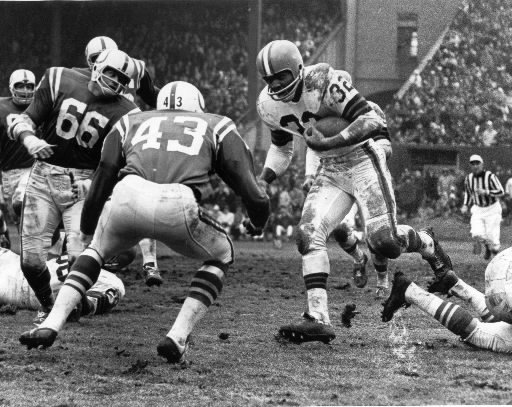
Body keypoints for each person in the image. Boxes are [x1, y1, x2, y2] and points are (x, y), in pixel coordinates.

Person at [19, 81, 270, 364]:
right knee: (222, 254)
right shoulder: (217, 124)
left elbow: (104, 174)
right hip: (177, 201)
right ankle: (178, 335)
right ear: (198, 106)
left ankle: (51, 323)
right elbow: (253, 193)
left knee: (96, 251)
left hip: (127, 195)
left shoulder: (130, 120)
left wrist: (89, 227)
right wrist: (258, 221)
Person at [255, 39, 451, 344]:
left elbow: (371, 119)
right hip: (331, 169)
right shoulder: (268, 105)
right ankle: (317, 316)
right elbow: (281, 147)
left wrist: (331, 141)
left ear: (297, 69)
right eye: (269, 79)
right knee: (308, 235)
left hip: (362, 159)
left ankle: (427, 242)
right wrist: (265, 178)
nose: (274, 83)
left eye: (280, 76)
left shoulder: (324, 82)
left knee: (385, 242)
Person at [8, 49, 140, 325]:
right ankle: (48, 304)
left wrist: (94, 184)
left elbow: (124, 164)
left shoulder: (127, 112)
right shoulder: (59, 78)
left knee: (81, 258)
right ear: (98, 66)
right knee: (31, 260)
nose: (115, 81)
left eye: (122, 78)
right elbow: (24, 118)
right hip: (43, 175)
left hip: (83, 184)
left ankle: (68, 308)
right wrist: (28, 138)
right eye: (112, 72)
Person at [76, 35, 163, 286]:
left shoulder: (134, 70)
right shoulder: (80, 79)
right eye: (94, 61)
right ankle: (85, 259)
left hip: (124, 141)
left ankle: (150, 263)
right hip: (91, 151)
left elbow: (152, 95)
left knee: (141, 199)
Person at [381, 247, 512, 353]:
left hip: (504, 263)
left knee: (505, 318)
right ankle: (411, 292)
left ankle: (456, 285)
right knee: (479, 333)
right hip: (505, 286)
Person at [0, 247, 128, 317]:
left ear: (111, 258)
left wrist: (76, 288)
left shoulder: (112, 282)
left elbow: (88, 308)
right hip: (14, 262)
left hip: (16, 286)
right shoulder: (80, 258)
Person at [0, 69, 37, 246]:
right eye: (20, 86)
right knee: (16, 218)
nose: (25, 90)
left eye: (29, 86)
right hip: (7, 172)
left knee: (24, 203)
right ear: (11, 87)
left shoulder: (41, 106)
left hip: (33, 169)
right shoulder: (1, 106)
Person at [461, 154, 504, 260]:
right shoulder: (469, 178)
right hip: (478, 209)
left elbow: (501, 191)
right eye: (473, 164)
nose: (475, 166)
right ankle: (487, 247)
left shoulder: (490, 176)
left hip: (492, 208)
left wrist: (486, 192)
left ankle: (493, 251)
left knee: (493, 239)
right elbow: (468, 193)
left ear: (482, 164)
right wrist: (465, 205)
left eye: (477, 163)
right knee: (476, 233)